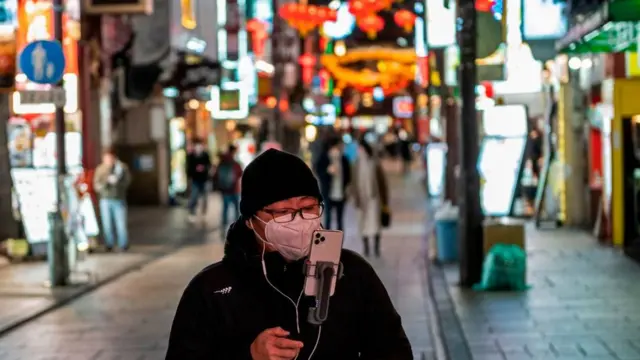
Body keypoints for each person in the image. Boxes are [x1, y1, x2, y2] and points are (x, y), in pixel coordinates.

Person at [166, 149, 412, 359]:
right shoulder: (212, 289)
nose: (298, 220)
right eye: (283, 212)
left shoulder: (353, 273)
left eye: (308, 208)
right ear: (251, 220)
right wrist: (248, 355)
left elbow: (393, 349)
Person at [351, 139, 389, 257]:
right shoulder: (356, 164)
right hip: (361, 200)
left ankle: (376, 247)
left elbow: (382, 183)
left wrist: (385, 200)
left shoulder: (375, 163)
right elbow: (353, 182)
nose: (359, 151)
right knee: (362, 224)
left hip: (374, 199)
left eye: (361, 148)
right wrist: (355, 196)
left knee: (375, 223)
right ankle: (366, 247)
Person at [93, 149, 131, 252]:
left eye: (111, 158)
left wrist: (118, 182)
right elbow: (96, 185)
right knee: (107, 224)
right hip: (105, 200)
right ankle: (109, 244)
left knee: (121, 223)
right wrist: (106, 181)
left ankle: (123, 244)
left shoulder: (121, 168)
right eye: (107, 158)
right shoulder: (100, 169)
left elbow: (127, 181)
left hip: (119, 199)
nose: (109, 160)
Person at [315, 137, 351, 231]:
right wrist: (327, 171)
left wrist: (347, 189)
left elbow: (348, 177)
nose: (340, 148)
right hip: (328, 193)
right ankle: (328, 242)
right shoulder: (324, 157)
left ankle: (339, 243)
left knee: (340, 220)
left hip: (341, 194)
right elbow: (318, 171)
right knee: (328, 219)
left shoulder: (344, 159)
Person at [213, 144, 243, 230]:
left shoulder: (222, 161)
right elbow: (240, 172)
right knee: (236, 207)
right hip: (234, 188)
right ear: (233, 151)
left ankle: (224, 223)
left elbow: (215, 175)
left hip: (224, 189)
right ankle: (237, 224)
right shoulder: (234, 162)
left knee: (225, 207)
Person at [186, 139, 212, 223]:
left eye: (199, 145)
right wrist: (195, 170)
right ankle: (192, 213)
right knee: (194, 197)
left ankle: (204, 213)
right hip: (195, 180)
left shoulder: (206, 155)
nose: (198, 147)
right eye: (196, 145)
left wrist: (204, 168)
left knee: (205, 198)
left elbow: (209, 166)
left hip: (204, 179)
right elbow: (188, 169)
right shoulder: (191, 156)